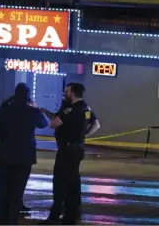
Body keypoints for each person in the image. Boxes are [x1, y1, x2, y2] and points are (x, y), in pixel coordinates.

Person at [41, 83, 100, 225]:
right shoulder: (86, 108)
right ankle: (72, 215)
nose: (64, 93)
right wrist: (82, 136)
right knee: (73, 183)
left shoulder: (70, 109)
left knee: (60, 183)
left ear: (72, 93)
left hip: (66, 151)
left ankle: (54, 217)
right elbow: (96, 125)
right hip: (77, 149)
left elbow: (54, 123)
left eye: (66, 91)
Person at [0, 83, 48, 225]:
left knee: (3, 192)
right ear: (28, 97)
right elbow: (43, 123)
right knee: (16, 193)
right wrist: (36, 108)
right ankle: (12, 222)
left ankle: (1, 222)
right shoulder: (31, 112)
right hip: (24, 158)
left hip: (5, 156)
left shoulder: (5, 109)